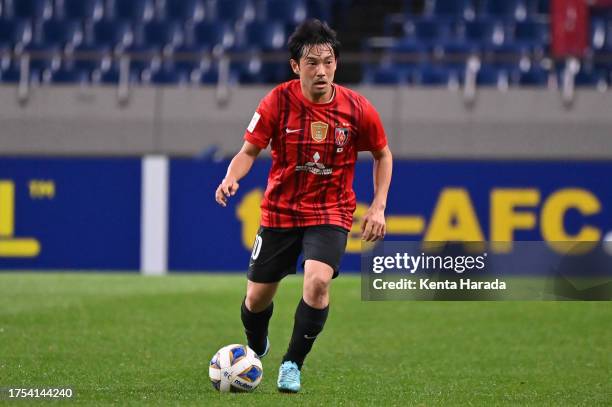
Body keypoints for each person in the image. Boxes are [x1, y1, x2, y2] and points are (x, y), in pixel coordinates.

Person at [215, 19, 393, 393]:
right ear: (296, 67)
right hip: (280, 210)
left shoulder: (358, 109)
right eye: (312, 63)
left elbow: (382, 154)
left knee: (317, 282)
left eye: (328, 62)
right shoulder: (276, 102)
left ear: (336, 64)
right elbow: (249, 151)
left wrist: (378, 206)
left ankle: (292, 363)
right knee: (256, 298)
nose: (322, 71)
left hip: (331, 211)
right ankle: (257, 342)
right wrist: (232, 177)